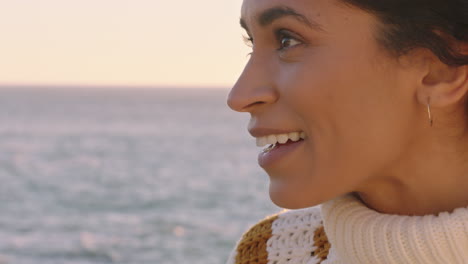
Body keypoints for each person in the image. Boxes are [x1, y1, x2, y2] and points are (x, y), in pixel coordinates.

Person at [226, 0, 468, 263]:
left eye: (288, 40)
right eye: (252, 45)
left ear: (438, 71)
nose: (239, 97)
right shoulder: (268, 253)